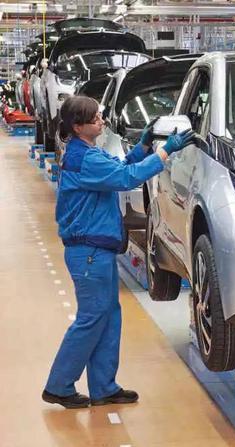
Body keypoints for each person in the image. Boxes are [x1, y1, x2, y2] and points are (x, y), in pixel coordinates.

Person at [42, 95, 196, 409]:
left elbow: (120, 167)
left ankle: (104, 387)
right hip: (88, 253)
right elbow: (127, 178)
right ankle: (58, 386)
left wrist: (144, 146)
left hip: (97, 251)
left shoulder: (88, 152)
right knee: (91, 318)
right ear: (78, 126)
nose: (102, 121)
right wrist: (165, 151)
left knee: (108, 317)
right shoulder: (84, 158)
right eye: (95, 118)